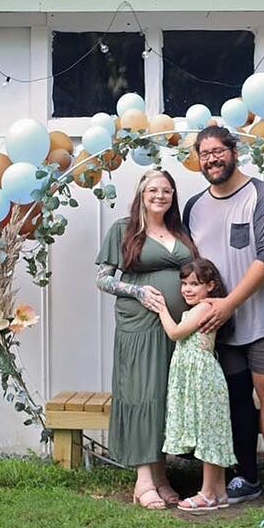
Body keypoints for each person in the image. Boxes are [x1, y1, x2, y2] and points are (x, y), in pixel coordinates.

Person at [182, 125, 264, 507]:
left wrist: (230, 301)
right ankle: (246, 477)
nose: (212, 159)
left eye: (218, 151)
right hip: (220, 326)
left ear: (234, 151)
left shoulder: (262, 197)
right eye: (204, 154)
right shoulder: (194, 207)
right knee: (234, 398)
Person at [95, 168, 197, 510]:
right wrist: (137, 292)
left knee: (165, 396)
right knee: (142, 393)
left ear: (173, 196)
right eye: (153, 189)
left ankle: (161, 476)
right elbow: (103, 279)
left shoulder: (179, 231)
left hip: (176, 325)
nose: (160, 195)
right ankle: (143, 481)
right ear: (142, 193)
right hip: (138, 324)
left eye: (167, 190)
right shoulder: (123, 229)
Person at [152, 258, 235, 513]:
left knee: (209, 433)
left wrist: (161, 309)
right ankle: (218, 492)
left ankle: (208, 493)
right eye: (184, 283)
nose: (187, 289)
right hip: (195, 376)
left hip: (203, 377)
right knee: (207, 430)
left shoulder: (203, 308)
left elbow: (176, 333)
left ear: (210, 286)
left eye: (195, 284)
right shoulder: (200, 307)